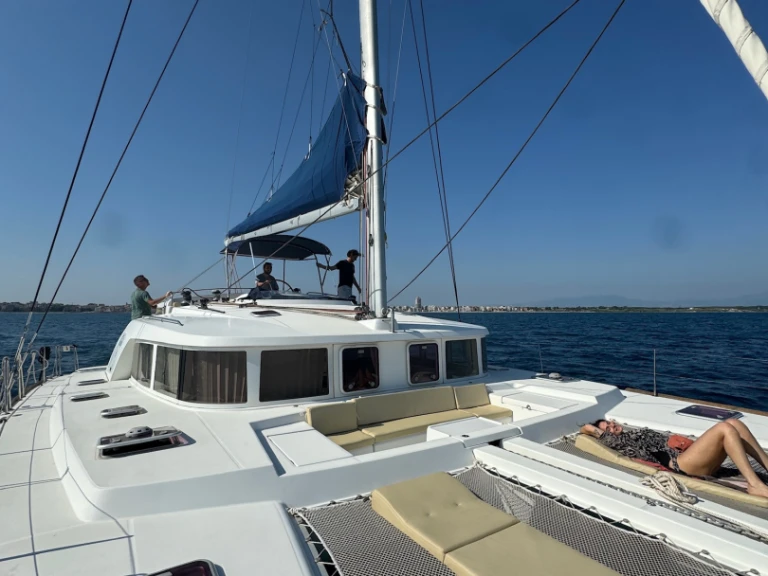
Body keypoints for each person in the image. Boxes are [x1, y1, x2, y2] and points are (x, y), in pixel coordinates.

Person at [581, 418, 768, 498]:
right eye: (608, 429)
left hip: (690, 457)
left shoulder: (633, 433)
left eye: (611, 423)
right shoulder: (620, 443)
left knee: (734, 423)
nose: (613, 427)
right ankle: (754, 484)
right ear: (606, 435)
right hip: (681, 465)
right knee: (724, 428)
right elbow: (586, 429)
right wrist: (598, 429)